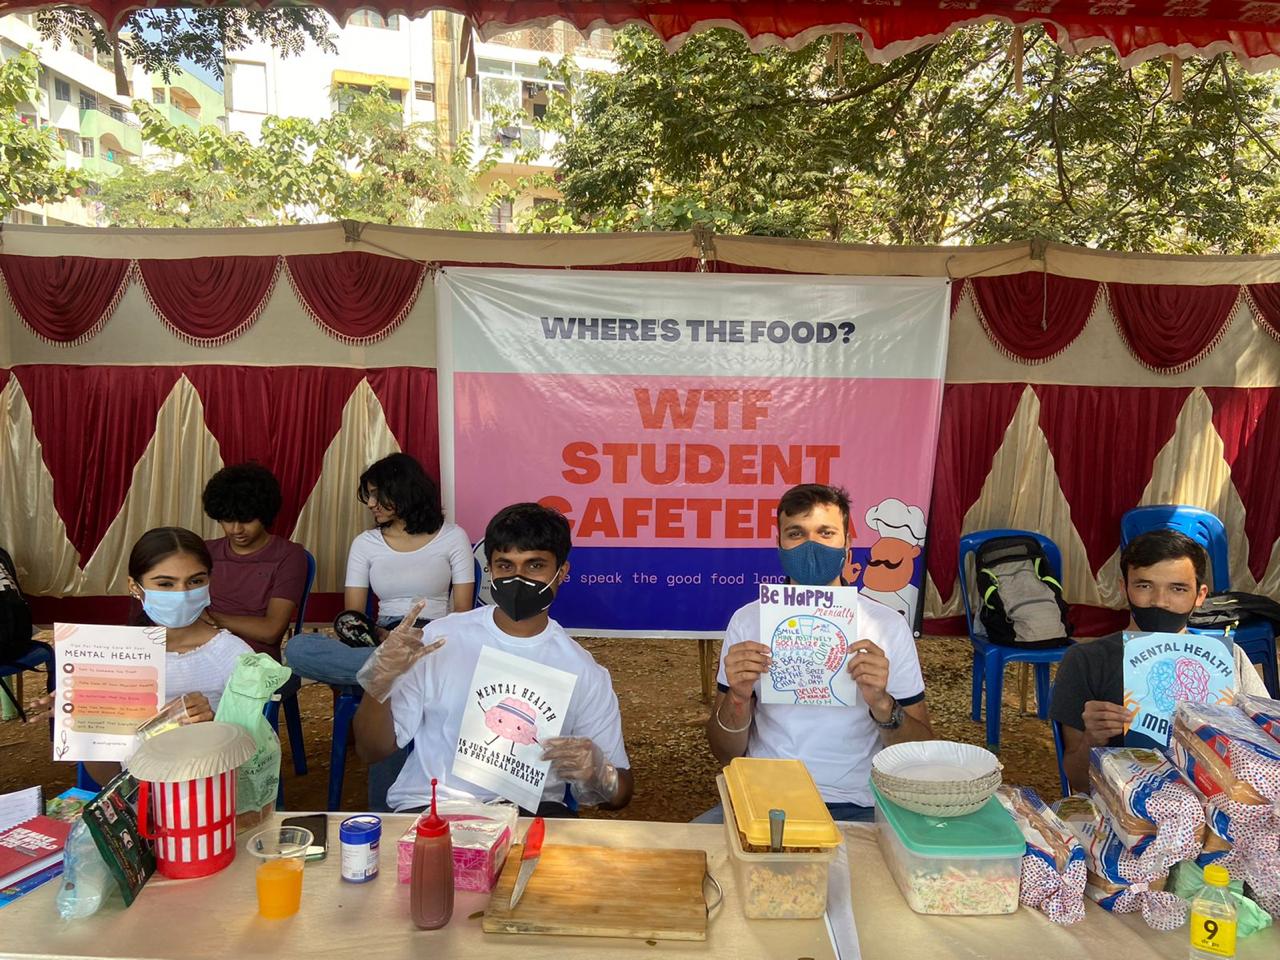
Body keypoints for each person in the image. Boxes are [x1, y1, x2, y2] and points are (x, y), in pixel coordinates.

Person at [352, 502, 632, 816]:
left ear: (561, 572)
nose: (518, 577)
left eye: (535, 565)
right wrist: (380, 684)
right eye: (505, 565)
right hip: (433, 811)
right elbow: (371, 749)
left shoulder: (583, 671)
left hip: (528, 816)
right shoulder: (439, 640)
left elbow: (619, 794)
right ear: (490, 569)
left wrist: (599, 771)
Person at [700, 483, 934, 823]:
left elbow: (919, 752)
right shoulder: (749, 621)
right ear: (779, 542)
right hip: (764, 798)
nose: (811, 546)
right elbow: (724, 752)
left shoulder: (885, 627)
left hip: (857, 805)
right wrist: (737, 697)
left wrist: (883, 704)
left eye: (826, 533)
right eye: (796, 533)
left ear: (847, 543)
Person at [1050, 529, 1268, 792]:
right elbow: (1077, 780)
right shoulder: (1087, 661)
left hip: (1217, 808)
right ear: (1124, 588)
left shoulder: (1229, 658)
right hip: (1128, 808)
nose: (1159, 601)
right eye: (1144, 586)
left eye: (1178, 588)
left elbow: (1266, 754)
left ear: (1200, 595)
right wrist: (1092, 740)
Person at [32, 527, 253, 786]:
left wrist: (214, 726)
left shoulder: (233, 656)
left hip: (211, 800)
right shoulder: (109, 661)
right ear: (134, 587)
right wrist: (82, 722)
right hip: (139, 805)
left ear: (209, 581)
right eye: (165, 583)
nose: (181, 593)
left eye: (195, 581)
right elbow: (111, 779)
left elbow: (252, 761)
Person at [286, 453, 475, 687]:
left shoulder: (453, 537)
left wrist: (420, 637)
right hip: (380, 637)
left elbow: (463, 613)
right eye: (369, 495)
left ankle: (388, 672)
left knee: (455, 652)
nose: (370, 503)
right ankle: (407, 670)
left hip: (431, 635)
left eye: (377, 494)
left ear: (404, 491)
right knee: (298, 648)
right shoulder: (365, 543)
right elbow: (352, 617)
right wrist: (381, 635)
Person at [201, 463, 308, 659]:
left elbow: (271, 631)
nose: (236, 529)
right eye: (227, 520)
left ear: (264, 515)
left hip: (253, 661)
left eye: (246, 520)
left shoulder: (290, 555)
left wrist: (210, 618)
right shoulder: (205, 551)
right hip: (199, 651)